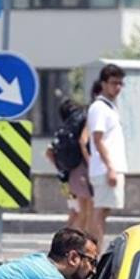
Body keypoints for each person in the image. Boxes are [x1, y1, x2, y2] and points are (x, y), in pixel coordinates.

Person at [87, 64, 128, 247]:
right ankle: (94, 253)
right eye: (113, 83)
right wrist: (110, 167)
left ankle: (95, 250)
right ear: (103, 83)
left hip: (111, 167)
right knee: (100, 211)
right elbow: (97, 139)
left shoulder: (110, 107)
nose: (117, 87)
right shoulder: (99, 108)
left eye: (120, 83)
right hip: (105, 168)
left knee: (104, 211)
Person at [45, 99, 90, 231]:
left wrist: (60, 167)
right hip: (78, 176)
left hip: (64, 178)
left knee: (74, 211)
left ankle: (66, 237)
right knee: (81, 212)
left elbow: (48, 152)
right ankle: (69, 240)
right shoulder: (77, 128)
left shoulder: (63, 130)